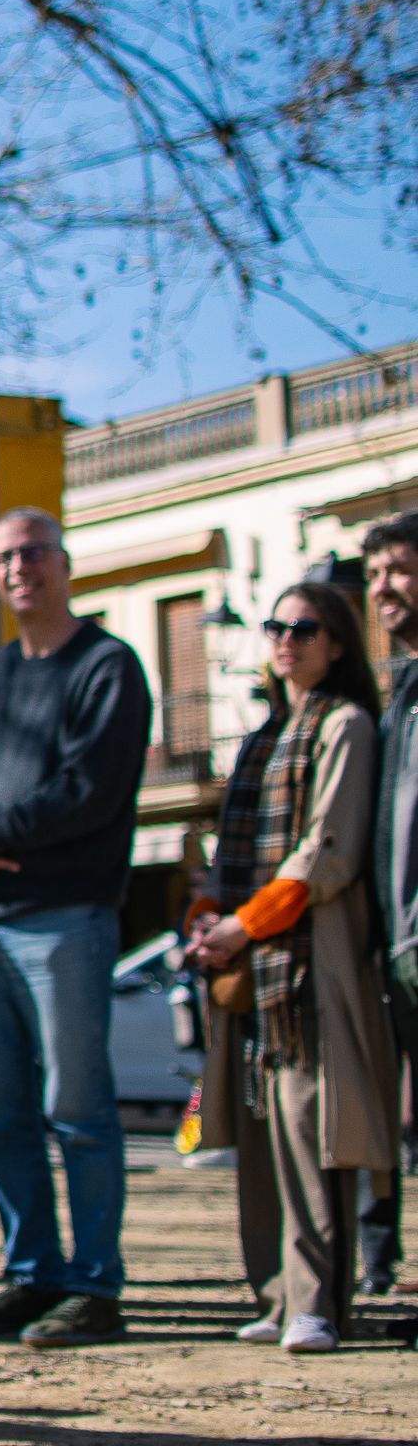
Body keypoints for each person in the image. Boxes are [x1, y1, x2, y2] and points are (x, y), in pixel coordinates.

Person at [0, 507, 153, 1347]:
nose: (19, 567)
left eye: (33, 553)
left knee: (80, 1110)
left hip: (66, 922)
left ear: (63, 563)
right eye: (5, 557)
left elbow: (90, 790)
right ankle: (33, 1275)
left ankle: (94, 1286)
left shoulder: (108, 668)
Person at [187, 582, 399, 1350]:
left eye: (304, 628)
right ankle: (276, 1294)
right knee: (258, 1138)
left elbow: (326, 854)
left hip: (314, 966)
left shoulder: (347, 727)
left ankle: (318, 1301)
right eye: (275, 627)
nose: (285, 639)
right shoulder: (262, 737)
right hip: (253, 976)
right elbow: (228, 853)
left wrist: (238, 927)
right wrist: (210, 919)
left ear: (337, 643)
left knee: (318, 1135)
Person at [365, 512, 418, 1295]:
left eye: (401, 570)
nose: (384, 589)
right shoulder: (399, 690)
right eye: (376, 575)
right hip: (401, 943)